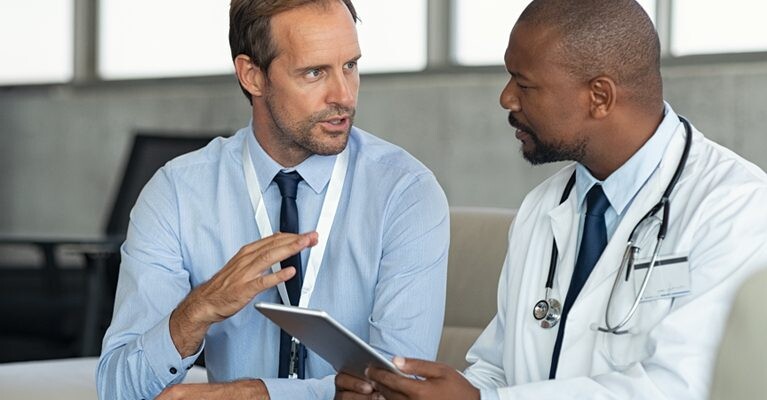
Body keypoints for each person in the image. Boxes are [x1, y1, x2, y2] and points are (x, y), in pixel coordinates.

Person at [335, 0, 767, 399]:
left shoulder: (736, 209)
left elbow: (686, 386)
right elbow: (498, 370)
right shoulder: (543, 208)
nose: (506, 98)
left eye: (524, 85)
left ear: (599, 97)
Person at [96, 0, 450, 399]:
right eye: (315, 72)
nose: (344, 95)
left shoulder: (405, 193)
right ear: (252, 75)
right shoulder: (177, 194)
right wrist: (195, 312)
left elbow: (398, 391)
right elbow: (118, 389)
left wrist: (258, 394)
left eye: (350, 65)